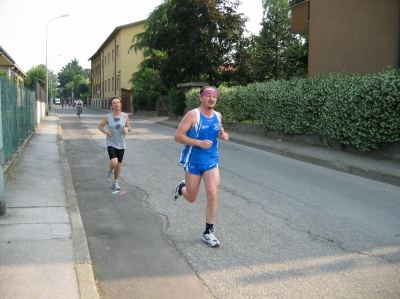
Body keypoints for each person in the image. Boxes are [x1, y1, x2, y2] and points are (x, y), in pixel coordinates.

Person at [171, 86, 229, 247]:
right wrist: (198, 142)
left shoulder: (218, 115)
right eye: (208, 95)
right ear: (200, 98)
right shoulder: (192, 115)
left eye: (214, 96)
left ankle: (208, 232)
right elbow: (178, 136)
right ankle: (182, 187)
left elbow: (218, 129)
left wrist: (223, 134)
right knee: (192, 197)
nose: (211, 99)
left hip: (211, 159)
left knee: (212, 192)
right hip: (193, 160)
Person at [98, 96, 131, 190]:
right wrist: (106, 132)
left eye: (118, 102)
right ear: (111, 106)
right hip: (111, 142)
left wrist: (127, 129)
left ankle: (115, 182)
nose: (116, 104)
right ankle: (109, 171)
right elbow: (100, 126)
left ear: (120, 104)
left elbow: (129, 128)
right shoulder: (108, 117)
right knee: (114, 162)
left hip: (121, 144)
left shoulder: (125, 116)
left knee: (118, 165)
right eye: (114, 103)